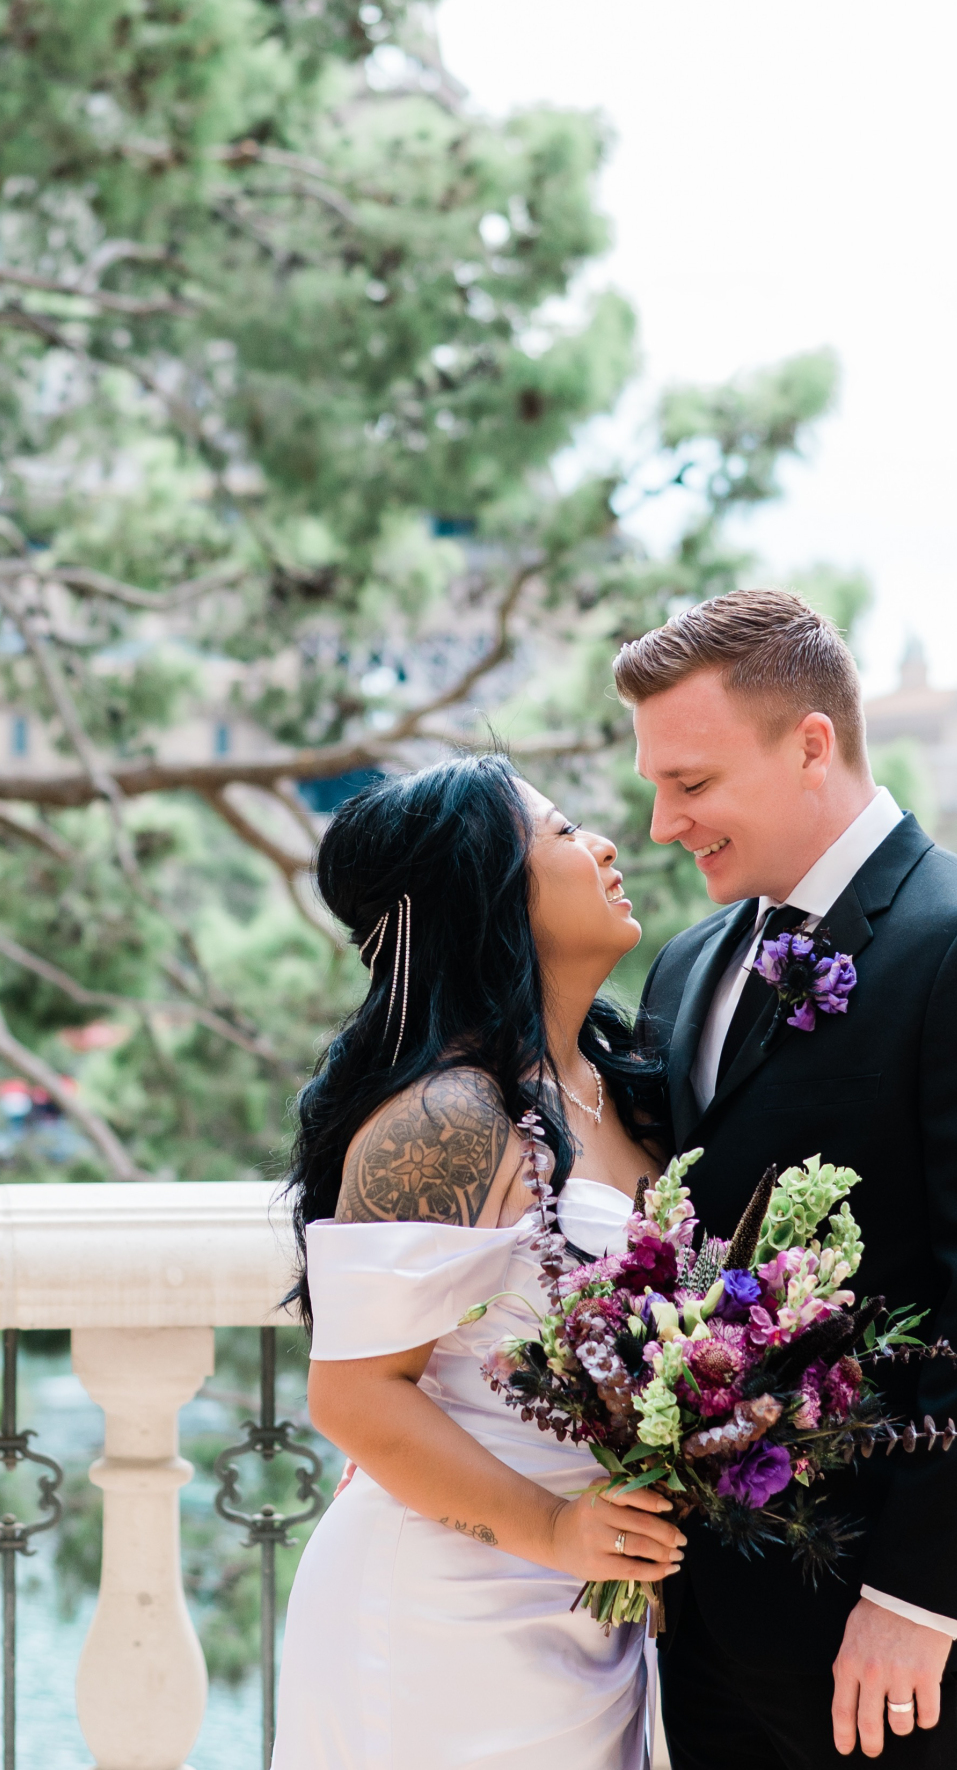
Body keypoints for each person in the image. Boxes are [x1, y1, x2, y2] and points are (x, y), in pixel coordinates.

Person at [619, 590, 957, 1770]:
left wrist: (917, 1596)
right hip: (704, 1622)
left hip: (890, 1638)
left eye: (691, 783)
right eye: (655, 785)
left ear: (811, 746)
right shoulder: (686, 967)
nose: (662, 821)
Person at [272, 755, 680, 1770]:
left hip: (595, 1613)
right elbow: (358, 1396)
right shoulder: (453, 1116)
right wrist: (557, 1530)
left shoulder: (626, 1092)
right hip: (441, 1615)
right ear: (490, 895)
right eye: (564, 832)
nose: (606, 846)